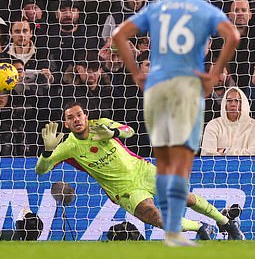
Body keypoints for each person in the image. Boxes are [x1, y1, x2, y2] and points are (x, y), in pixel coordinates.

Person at [112, 0, 240, 246]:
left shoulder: (157, 8)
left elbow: (118, 35)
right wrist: (215, 74)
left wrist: (135, 72)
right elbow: (233, 36)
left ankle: (172, 232)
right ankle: (174, 231)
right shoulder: (205, 9)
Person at [35, 102, 244, 241]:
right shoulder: (67, 147)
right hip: (123, 189)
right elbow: (41, 170)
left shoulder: (101, 125)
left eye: (79, 115)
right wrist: (47, 151)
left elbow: (129, 130)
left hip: (143, 170)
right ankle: (199, 227)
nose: (77, 120)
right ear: (67, 123)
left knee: (185, 198)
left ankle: (225, 222)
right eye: (71, 118)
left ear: (85, 115)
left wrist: (113, 132)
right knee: (152, 215)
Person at [200, 87, 255, 156]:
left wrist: (225, 151)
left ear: (243, 103)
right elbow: (207, 153)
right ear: (224, 103)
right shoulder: (213, 125)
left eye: (237, 100)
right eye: (229, 101)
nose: (233, 104)